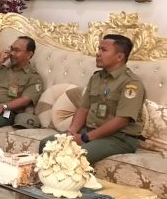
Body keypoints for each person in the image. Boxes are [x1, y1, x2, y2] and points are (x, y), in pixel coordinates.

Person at [39, 34, 145, 164]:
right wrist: (72, 131)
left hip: (119, 138)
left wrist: (85, 138)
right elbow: (83, 108)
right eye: (99, 49)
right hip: (90, 131)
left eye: (103, 50)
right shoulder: (96, 78)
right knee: (46, 144)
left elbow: (121, 121)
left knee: (74, 156)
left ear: (119, 57)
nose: (98, 53)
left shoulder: (131, 84)